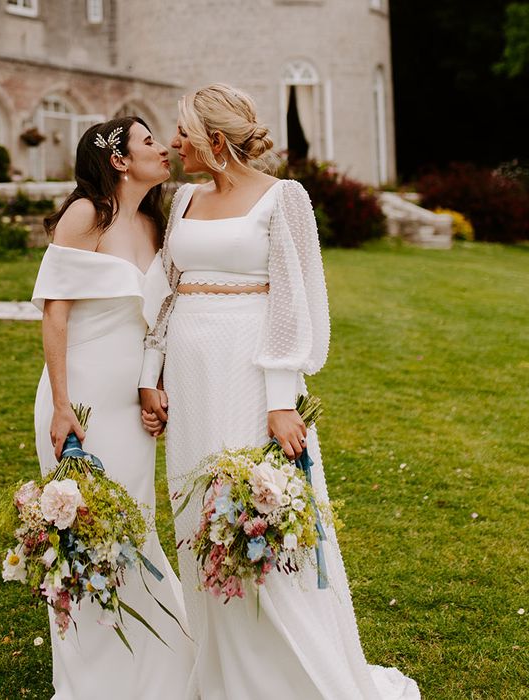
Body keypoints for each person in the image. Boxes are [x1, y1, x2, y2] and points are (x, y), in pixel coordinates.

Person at [139, 85, 420, 700]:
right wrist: (149, 375)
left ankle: (288, 675)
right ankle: (223, 674)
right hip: (189, 375)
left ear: (215, 141)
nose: (174, 144)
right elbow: (166, 289)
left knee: (261, 511)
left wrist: (279, 398)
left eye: (183, 133)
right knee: (198, 512)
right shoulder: (182, 198)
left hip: (249, 375)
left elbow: (293, 300)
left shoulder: (283, 198)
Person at [31, 116, 194, 700]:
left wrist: (154, 387)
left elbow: (159, 321)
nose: (163, 150)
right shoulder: (85, 215)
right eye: (150, 142)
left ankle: (156, 665)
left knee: (136, 524)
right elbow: (55, 313)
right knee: (85, 530)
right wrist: (60, 403)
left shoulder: (156, 222)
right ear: (120, 160)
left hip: (131, 402)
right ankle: (94, 674)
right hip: (82, 396)